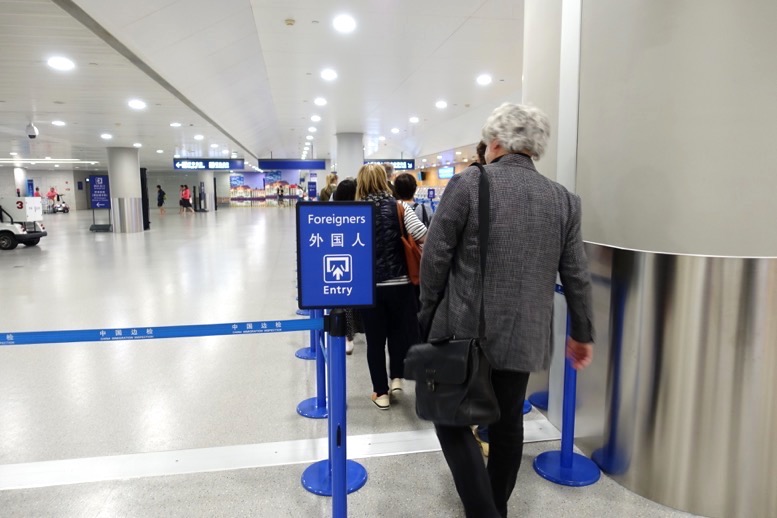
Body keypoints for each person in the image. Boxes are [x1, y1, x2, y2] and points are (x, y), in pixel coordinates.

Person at [418, 102, 595, 518]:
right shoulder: (564, 201)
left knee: (450, 418)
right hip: (525, 334)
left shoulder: (468, 184)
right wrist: (582, 332)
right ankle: (497, 505)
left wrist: (427, 311)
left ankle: (484, 512)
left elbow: (436, 258)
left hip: (463, 329)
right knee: (507, 421)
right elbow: (576, 275)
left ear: (496, 141)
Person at [355, 164, 426, 410]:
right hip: (401, 284)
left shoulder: (354, 212)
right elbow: (423, 234)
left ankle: (381, 393)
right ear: (385, 182)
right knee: (398, 333)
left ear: (361, 183)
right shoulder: (400, 207)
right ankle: (397, 378)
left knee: (375, 341)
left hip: (369, 287)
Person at [332, 178, 362, 354]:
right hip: (356, 262)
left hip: (339, 262)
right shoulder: (360, 212)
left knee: (345, 302)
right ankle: (351, 335)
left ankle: (348, 337)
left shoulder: (332, 213)